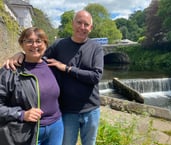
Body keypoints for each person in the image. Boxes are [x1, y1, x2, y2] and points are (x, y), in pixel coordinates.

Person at [5, 10, 104, 145]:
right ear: (72, 24)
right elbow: (38, 54)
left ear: (91, 28)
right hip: (67, 110)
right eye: (79, 23)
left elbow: (96, 76)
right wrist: (20, 54)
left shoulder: (96, 48)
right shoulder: (59, 45)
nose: (82, 27)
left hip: (91, 109)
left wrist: (67, 68)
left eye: (86, 24)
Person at [0, 27, 64, 145]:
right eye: (29, 41)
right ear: (21, 44)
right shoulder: (10, 71)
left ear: (45, 44)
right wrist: (21, 114)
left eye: (39, 41)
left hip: (56, 127)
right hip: (25, 132)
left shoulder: (52, 66)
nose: (34, 45)